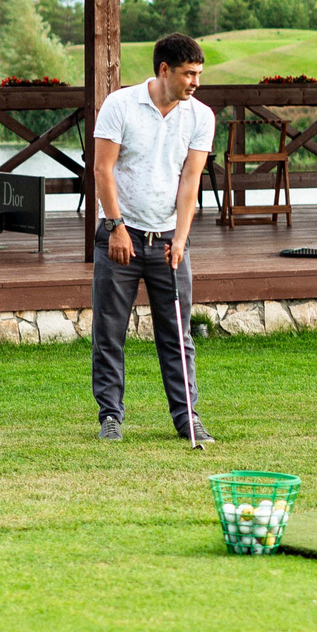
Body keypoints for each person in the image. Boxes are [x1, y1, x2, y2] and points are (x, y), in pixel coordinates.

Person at [90, 33, 215, 441]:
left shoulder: (200, 116)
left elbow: (190, 181)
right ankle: (110, 416)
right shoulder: (120, 105)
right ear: (164, 70)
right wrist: (116, 226)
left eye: (198, 73)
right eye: (188, 74)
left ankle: (187, 419)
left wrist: (180, 239)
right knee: (109, 330)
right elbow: (103, 170)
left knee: (177, 334)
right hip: (119, 236)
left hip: (168, 240)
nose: (195, 82)